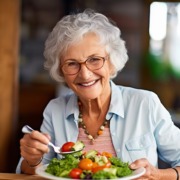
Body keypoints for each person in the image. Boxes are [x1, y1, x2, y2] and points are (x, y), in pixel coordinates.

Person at [16, 9, 180, 179]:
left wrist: (159, 175)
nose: (85, 74)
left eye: (94, 59)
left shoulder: (145, 104)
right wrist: (33, 159)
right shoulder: (55, 109)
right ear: (61, 71)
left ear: (112, 62)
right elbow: (36, 171)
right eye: (72, 63)